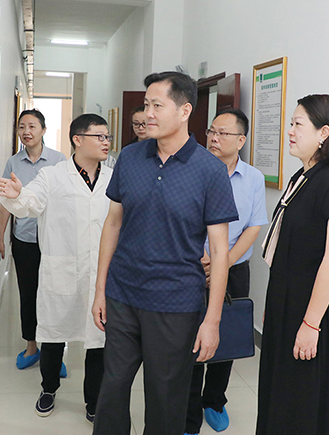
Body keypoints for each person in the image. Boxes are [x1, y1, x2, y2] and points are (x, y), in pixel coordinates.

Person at [91, 72, 239, 435]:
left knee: (165, 397)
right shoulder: (130, 157)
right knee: (112, 388)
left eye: (157, 105)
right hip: (123, 294)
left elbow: (220, 251)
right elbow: (113, 223)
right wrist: (100, 289)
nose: (149, 114)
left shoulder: (209, 170)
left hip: (175, 302)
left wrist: (212, 320)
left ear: (185, 111)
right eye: (146, 105)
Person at [0, 113, 113, 422]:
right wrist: (18, 195)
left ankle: (93, 402)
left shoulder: (114, 179)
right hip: (62, 269)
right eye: (99, 136)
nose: (106, 142)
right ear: (78, 140)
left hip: (100, 274)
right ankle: (48, 389)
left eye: (107, 137)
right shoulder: (53, 175)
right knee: (53, 334)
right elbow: (30, 202)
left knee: (98, 341)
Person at [256, 94, 329, 435]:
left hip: (315, 313)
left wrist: (311, 324)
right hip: (287, 304)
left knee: (304, 405)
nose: (290, 131)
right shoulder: (302, 177)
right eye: (291, 123)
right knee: (280, 396)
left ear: (323, 133)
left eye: (298, 124)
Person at [185, 109, 268, 435]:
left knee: (226, 335)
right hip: (195, 264)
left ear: (241, 140)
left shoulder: (253, 178)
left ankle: (214, 401)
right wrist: (202, 256)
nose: (214, 138)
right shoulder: (193, 170)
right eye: (211, 131)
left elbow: (254, 226)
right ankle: (189, 412)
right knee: (192, 337)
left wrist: (224, 262)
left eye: (223, 133)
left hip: (234, 268)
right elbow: (183, 219)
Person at [0, 110, 65, 370]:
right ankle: (32, 346)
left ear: (43, 130)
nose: (26, 131)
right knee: (28, 293)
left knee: (55, 295)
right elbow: (5, 203)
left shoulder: (59, 160)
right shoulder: (14, 163)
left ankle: (54, 354)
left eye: (32, 126)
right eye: (22, 126)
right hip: (24, 239)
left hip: (53, 240)